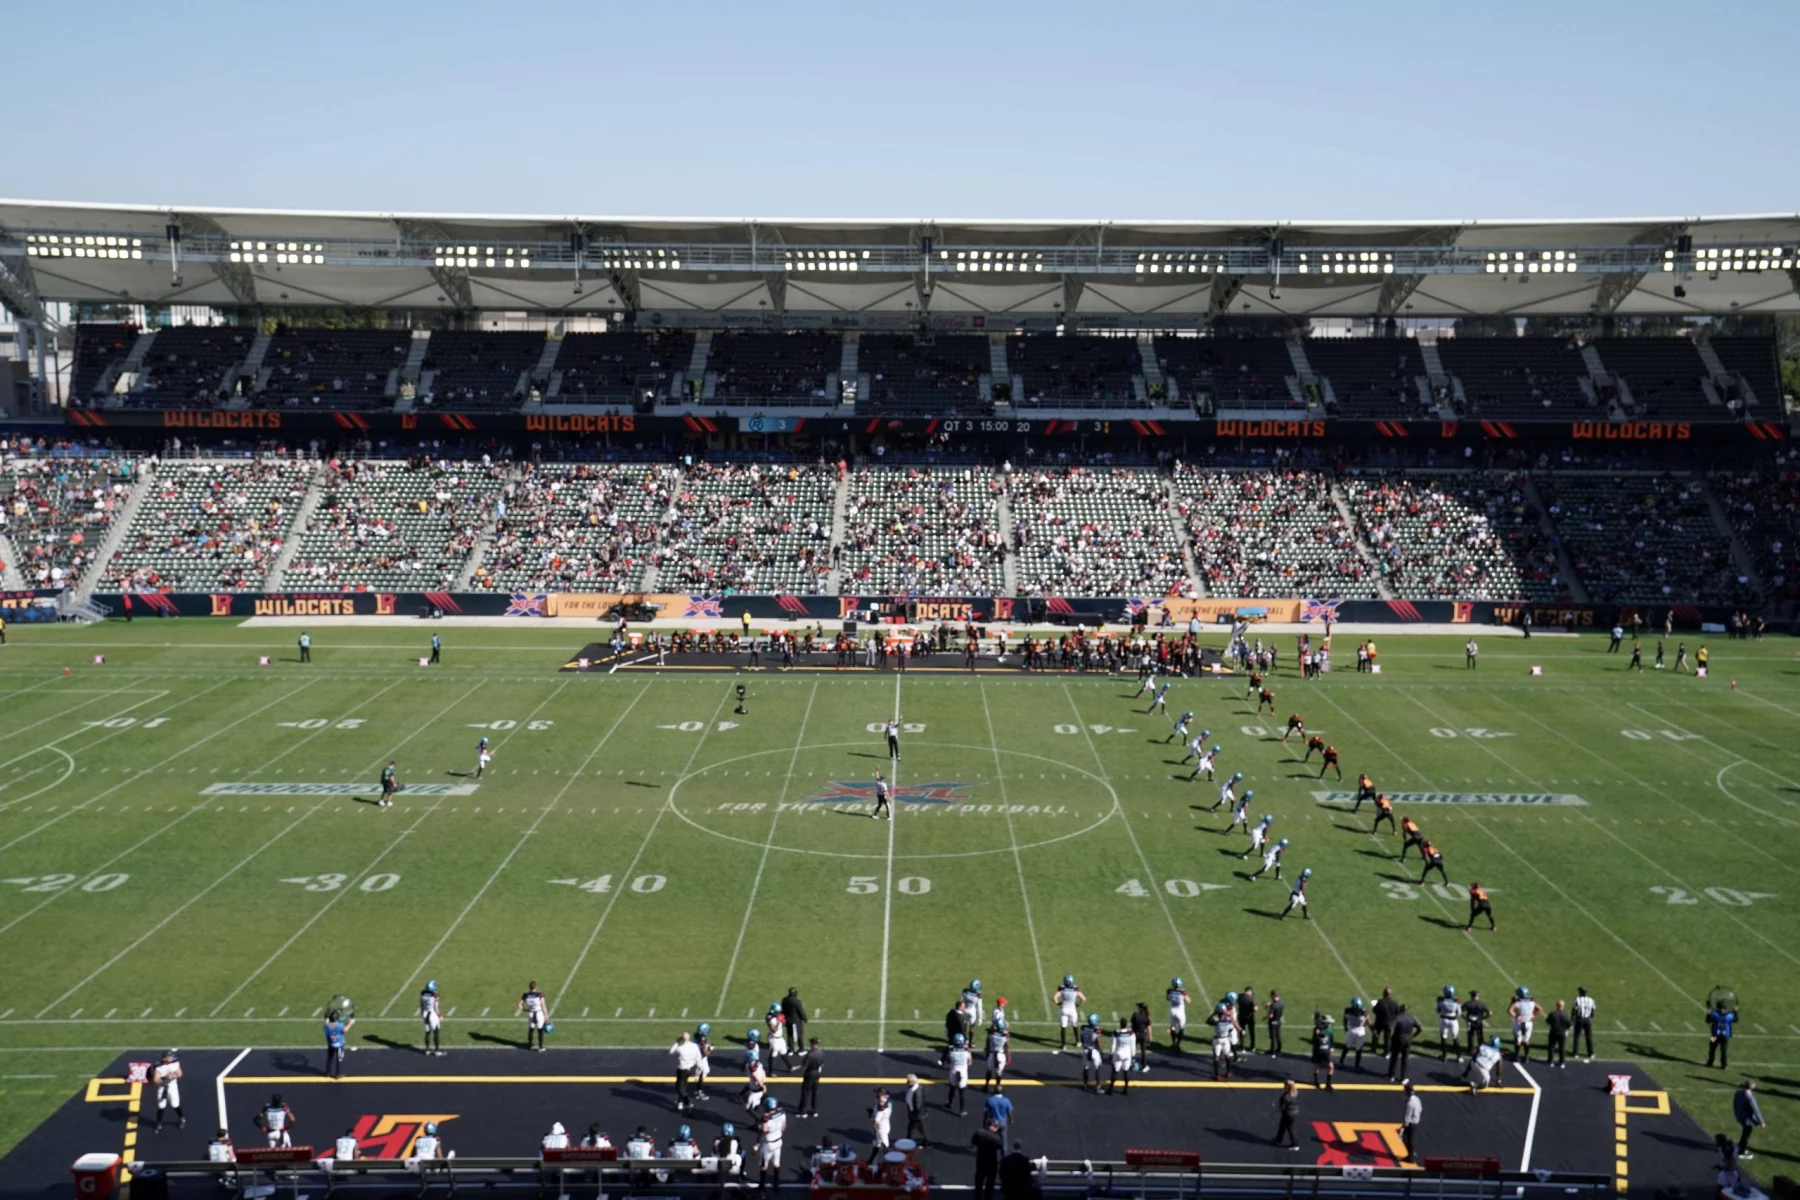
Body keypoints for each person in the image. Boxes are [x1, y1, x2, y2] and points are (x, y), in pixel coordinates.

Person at [756, 1095, 787, 1195]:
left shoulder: (766, 1119)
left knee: (764, 1165)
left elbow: (764, 1131)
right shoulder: (782, 1113)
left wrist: (756, 1144)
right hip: (778, 1141)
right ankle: (776, 1185)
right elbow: (783, 1128)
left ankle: (762, 1186)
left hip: (768, 1144)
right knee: (776, 1163)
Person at [970, 1120, 1004, 1200]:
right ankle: (988, 1197)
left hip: (980, 1160)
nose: (997, 1128)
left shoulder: (979, 1132)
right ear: (991, 1126)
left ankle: (977, 1196)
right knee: (990, 1181)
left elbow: (973, 1142)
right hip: (991, 1163)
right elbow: (1001, 1145)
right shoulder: (996, 1138)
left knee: (979, 1180)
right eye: (996, 1126)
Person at [151, 1049, 184, 1132]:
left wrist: (173, 1076)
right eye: (170, 1057)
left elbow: (180, 1074)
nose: (172, 1058)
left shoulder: (175, 1063)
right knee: (161, 1106)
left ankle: (182, 1119)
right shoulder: (158, 1066)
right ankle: (159, 1124)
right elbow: (156, 1080)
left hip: (172, 1086)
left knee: (175, 1104)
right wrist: (165, 1077)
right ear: (164, 1058)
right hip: (162, 1087)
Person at [1053, 975, 1087, 1052]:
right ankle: (1078, 1042)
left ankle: (1063, 1045)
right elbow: (1083, 999)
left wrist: (1058, 1004)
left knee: (1063, 1027)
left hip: (1063, 1009)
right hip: (1072, 1009)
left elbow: (1054, 998)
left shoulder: (1062, 988)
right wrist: (1078, 1004)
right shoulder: (1075, 988)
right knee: (1075, 1025)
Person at [1387, 1005, 1421, 1081]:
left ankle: (1391, 1075)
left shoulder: (1397, 1017)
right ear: (1407, 1010)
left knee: (1394, 1058)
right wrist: (1413, 1036)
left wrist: (1391, 1036)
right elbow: (1421, 1029)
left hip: (1398, 1040)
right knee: (1405, 1060)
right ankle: (1403, 1078)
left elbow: (1390, 1027)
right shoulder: (1411, 1018)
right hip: (1407, 1040)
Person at [672, 1030, 702, 1112]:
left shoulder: (680, 1048)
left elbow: (671, 1051)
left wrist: (676, 1042)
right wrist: (698, 1069)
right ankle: (679, 1102)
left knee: (679, 1087)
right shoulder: (695, 1046)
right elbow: (698, 1058)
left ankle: (687, 1102)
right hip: (691, 1069)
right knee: (684, 1086)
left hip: (682, 1070)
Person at [1734, 1079, 1764, 1159]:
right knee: (1746, 1135)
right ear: (1751, 1088)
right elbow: (1756, 1110)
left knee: (1744, 1133)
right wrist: (1762, 1122)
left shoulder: (1738, 1093)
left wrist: (1736, 1114)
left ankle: (1740, 1146)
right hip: (1747, 1119)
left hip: (1740, 1116)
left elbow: (1735, 1104)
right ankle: (1741, 1152)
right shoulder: (1750, 1098)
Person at [519, 980, 550, 1052]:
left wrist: (525, 1009)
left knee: (531, 1030)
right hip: (539, 1013)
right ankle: (540, 1047)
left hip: (531, 1013)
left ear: (529, 987)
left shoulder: (526, 995)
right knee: (540, 1031)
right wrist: (546, 1014)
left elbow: (519, 1005)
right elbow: (543, 1005)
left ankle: (529, 1045)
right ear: (535, 986)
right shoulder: (540, 994)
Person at [1706, 1001, 1739, 1068]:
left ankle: (1710, 1062)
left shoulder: (1715, 1014)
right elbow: (1736, 1019)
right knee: (1723, 1051)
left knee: (1712, 1049)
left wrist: (1708, 1012)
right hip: (1725, 1036)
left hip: (1714, 1035)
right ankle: (1724, 1065)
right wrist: (1735, 1011)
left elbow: (1708, 1020)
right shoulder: (1729, 1015)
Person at [1107, 1018, 1136, 1094]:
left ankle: (1111, 1089)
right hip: (1127, 1054)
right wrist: (1133, 1056)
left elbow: (1113, 1045)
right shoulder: (1131, 1033)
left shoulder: (1116, 1033)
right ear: (1126, 1024)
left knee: (1115, 1071)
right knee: (1125, 1072)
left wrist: (1110, 1054)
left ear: (1120, 1024)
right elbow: (1133, 1046)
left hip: (1119, 1053)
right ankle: (1125, 1089)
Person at [945, 1033, 971, 1115]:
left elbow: (948, 1061)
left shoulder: (951, 1050)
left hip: (953, 1071)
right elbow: (970, 1062)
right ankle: (962, 1110)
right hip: (963, 1072)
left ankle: (949, 1103)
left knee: (952, 1088)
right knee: (962, 1092)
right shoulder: (966, 1050)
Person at [324, 1010, 353, 1079]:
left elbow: (326, 1021)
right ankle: (337, 1074)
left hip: (331, 1044)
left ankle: (328, 1072)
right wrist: (350, 1023)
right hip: (339, 1045)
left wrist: (326, 1017)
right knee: (339, 1059)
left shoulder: (326, 1026)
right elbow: (345, 1030)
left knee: (330, 1058)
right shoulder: (340, 1025)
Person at [1436, 986, 1463, 1062]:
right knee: (1455, 1038)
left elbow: (1437, 1010)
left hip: (1443, 1019)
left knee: (1443, 1037)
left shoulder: (1440, 1000)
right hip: (1453, 1020)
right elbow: (1459, 1012)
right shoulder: (1456, 1000)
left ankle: (1444, 1056)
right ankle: (1459, 1056)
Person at [903, 1073, 929, 1147]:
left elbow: (918, 1105)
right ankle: (926, 1142)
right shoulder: (914, 1089)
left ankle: (907, 1142)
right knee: (919, 1128)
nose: (906, 1083)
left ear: (912, 1082)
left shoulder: (917, 1092)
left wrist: (913, 1115)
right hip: (916, 1115)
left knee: (912, 1128)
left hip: (917, 1115)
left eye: (908, 1081)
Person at [1273, 1079, 1301, 1150]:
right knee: (1282, 1126)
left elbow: (1282, 1107)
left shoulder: (1286, 1097)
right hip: (1294, 1112)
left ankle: (1295, 1145)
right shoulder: (1296, 1093)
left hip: (1288, 1114)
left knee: (1291, 1129)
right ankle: (1278, 1140)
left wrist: (1277, 1110)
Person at [800, 1038, 824, 1118]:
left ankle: (803, 1111)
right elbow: (821, 1064)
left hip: (809, 1073)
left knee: (806, 1092)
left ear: (813, 1044)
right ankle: (814, 1111)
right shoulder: (820, 1053)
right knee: (815, 1092)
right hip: (817, 1073)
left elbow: (804, 1066)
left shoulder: (810, 1054)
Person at [1310, 1014, 1335, 1090]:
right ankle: (1316, 1081)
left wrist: (1332, 1047)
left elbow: (1331, 1039)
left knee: (1330, 1066)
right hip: (1318, 1050)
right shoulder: (1317, 1029)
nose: (1330, 1023)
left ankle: (1328, 1083)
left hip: (1326, 1050)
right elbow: (1314, 1040)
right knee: (1316, 1066)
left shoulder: (1330, 1029)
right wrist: (1317, 1034)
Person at [420, 979, 444, 1056]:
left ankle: (427, 1049)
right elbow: (436, 1007)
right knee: (436, 1031)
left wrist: (422, 1013)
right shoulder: (435, 995)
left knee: (427, 1031)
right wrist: (440, 1015)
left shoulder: (423, 993)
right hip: (432, 1014)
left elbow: (421, 1005)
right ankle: (437, 1050)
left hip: (425, 1013)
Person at [868, 1089, 893, 1163]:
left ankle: (890, 1164)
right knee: (876, 1144)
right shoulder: (888, 1103)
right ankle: (871, 1160)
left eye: (878, 1095)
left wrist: (870, 1116)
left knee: (885, 1147)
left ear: (882, 1095)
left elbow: (875, 1121)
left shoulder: (881, 1110)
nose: (877, 1096)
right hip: (885, 1125)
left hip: (881, 1129)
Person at [1572, 986, 1596, 1061]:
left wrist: (1572, 1018)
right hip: (1587, 1019)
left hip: (1579, 1019)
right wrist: (1591, 1018)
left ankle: (1575, 1053)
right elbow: (1593, 1010)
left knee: (1576, 1036)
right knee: (1589, 1037)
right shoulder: (1591, 1000)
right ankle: (1591, 1053)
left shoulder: (1577, 999)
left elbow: (1574, 1010)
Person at [1545, 1000, 1572, 1068]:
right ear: (1563, 1006)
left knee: (1551, 1047)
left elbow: (1547, 1022)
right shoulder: (1565, 1015)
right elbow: (1570, 1025)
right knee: (1562, 1048)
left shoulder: (1553, 1013)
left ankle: (1550, 1061)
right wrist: (1566, 1031)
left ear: (1557, 1005)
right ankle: (1562, 1062)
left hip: (1553, 1032)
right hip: (1562, 1033)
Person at [1400, 1082, 1421, 1161]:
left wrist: (1404, 1125)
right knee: (1410, 1139)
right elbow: (1420, 1109)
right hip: (1416, 1121)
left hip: (1411, 1124)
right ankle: (1412, 1153)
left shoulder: (1410, 1103)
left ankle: (1411, 1155)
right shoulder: (1417, 1099)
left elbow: (1407, 1116)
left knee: (1407, 1139)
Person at [782, 988, 807, 1053]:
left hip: (788, 1020)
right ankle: (801, 1049)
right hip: (796, 1021)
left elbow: (783, 1011)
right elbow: (801, 1012)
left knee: (790, 1035)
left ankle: (791, 1049)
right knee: (799, 1035)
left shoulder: (784, 1000)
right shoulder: (797, 1001)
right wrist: (805, 1019)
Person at [1266, 989, 1285, 1057]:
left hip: (1273, 1022)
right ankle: (1279, 1049)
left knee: (1273, 1037)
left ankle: (1272, 1051)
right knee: (1278, 1035)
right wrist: (1271, 1004)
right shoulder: (1282, 1002)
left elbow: (1270, 1016)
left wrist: (1265, 1017)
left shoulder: (1273, 1005)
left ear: (1273, 996)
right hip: (1278, 1021)